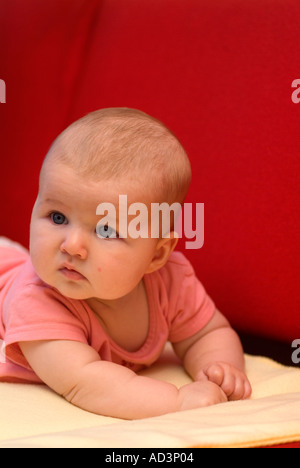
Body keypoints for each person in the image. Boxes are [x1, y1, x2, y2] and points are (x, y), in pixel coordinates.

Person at [0, 108, 251, 419]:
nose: (72, 246)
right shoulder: (37, 299)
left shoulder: (171, 279)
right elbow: (85, 382)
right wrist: (177, 402)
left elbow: (208, 333)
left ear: (157, 255)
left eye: (106, 230)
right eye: (58, 217)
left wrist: (221, 369)